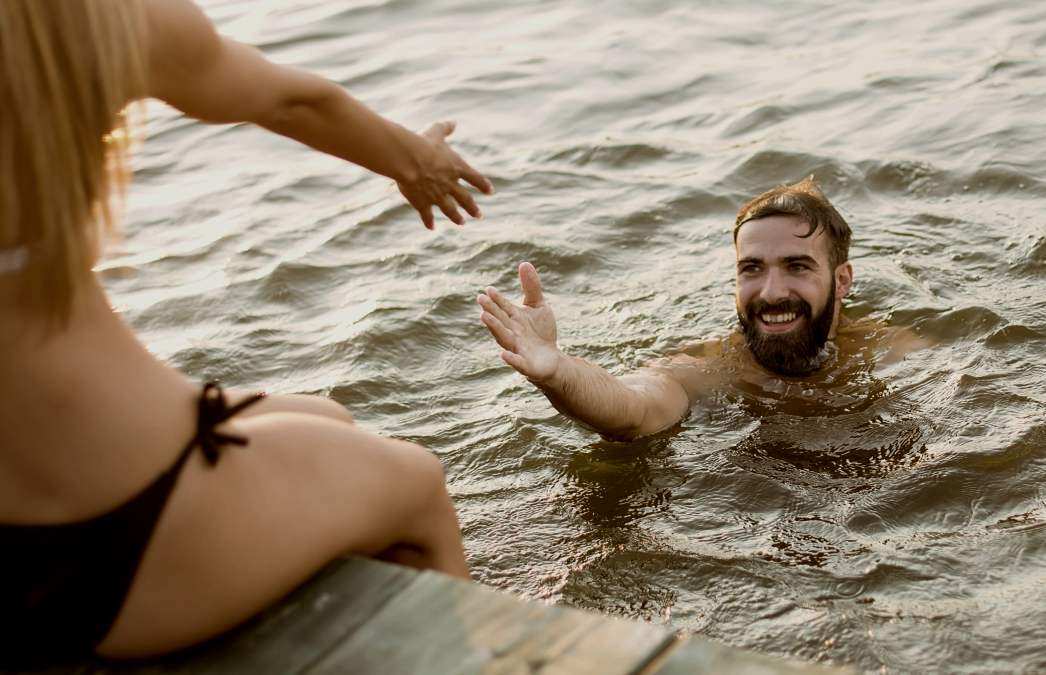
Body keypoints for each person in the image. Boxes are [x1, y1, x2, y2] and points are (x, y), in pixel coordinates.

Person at [0, 0, 491, 666]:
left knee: (327, 418)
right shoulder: (89, 27)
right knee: (415, 484)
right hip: (120, 534)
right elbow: (292, 100)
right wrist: (415, 160)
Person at [478, 178, 927, 441]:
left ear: (843, 280)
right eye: (751, 268)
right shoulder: (705, 368)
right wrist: (559, 372)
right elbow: (634, 409)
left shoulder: (896, 351)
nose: (771, 292)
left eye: (797, 266)